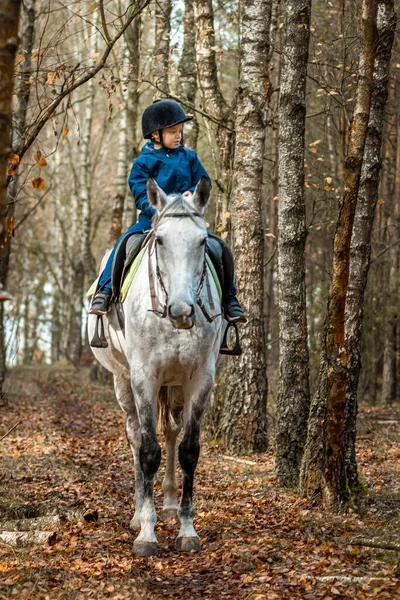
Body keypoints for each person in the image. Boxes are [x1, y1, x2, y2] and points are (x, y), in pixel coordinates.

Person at [89, 99, 246, 323]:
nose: (178, 136)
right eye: (173, 132)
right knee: (124, 243)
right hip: (153, 219)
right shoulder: (143, 163)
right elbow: (141, 194)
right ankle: (104, 292)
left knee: (219, 248)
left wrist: (190, 195)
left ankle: (230, 300)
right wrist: (158, 208)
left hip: (187, 219)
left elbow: (203, 182)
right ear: (156, 134)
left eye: (179, 131)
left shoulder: (189, 157)